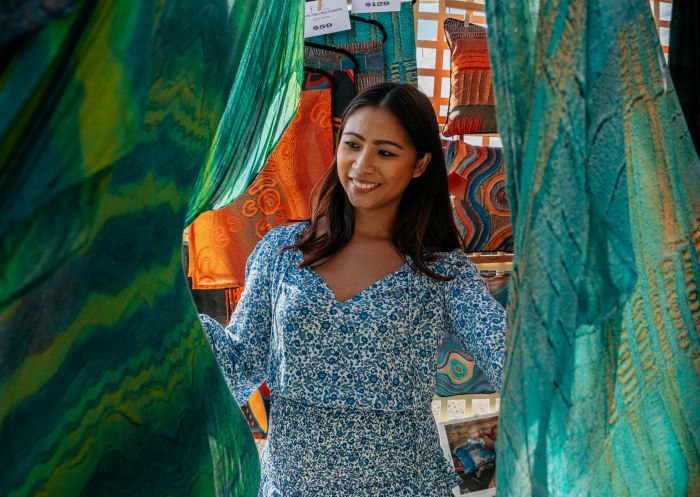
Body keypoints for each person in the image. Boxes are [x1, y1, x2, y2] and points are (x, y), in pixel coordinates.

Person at [199, 82, 506, 497]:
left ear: (419, 164)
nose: (362, 165)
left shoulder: (441, 271)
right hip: (292, 486)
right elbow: (240, 364)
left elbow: (504, 350)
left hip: (403, 486)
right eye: (352, 145)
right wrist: (163, 306)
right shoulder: (283, 251)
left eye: (385, 152)